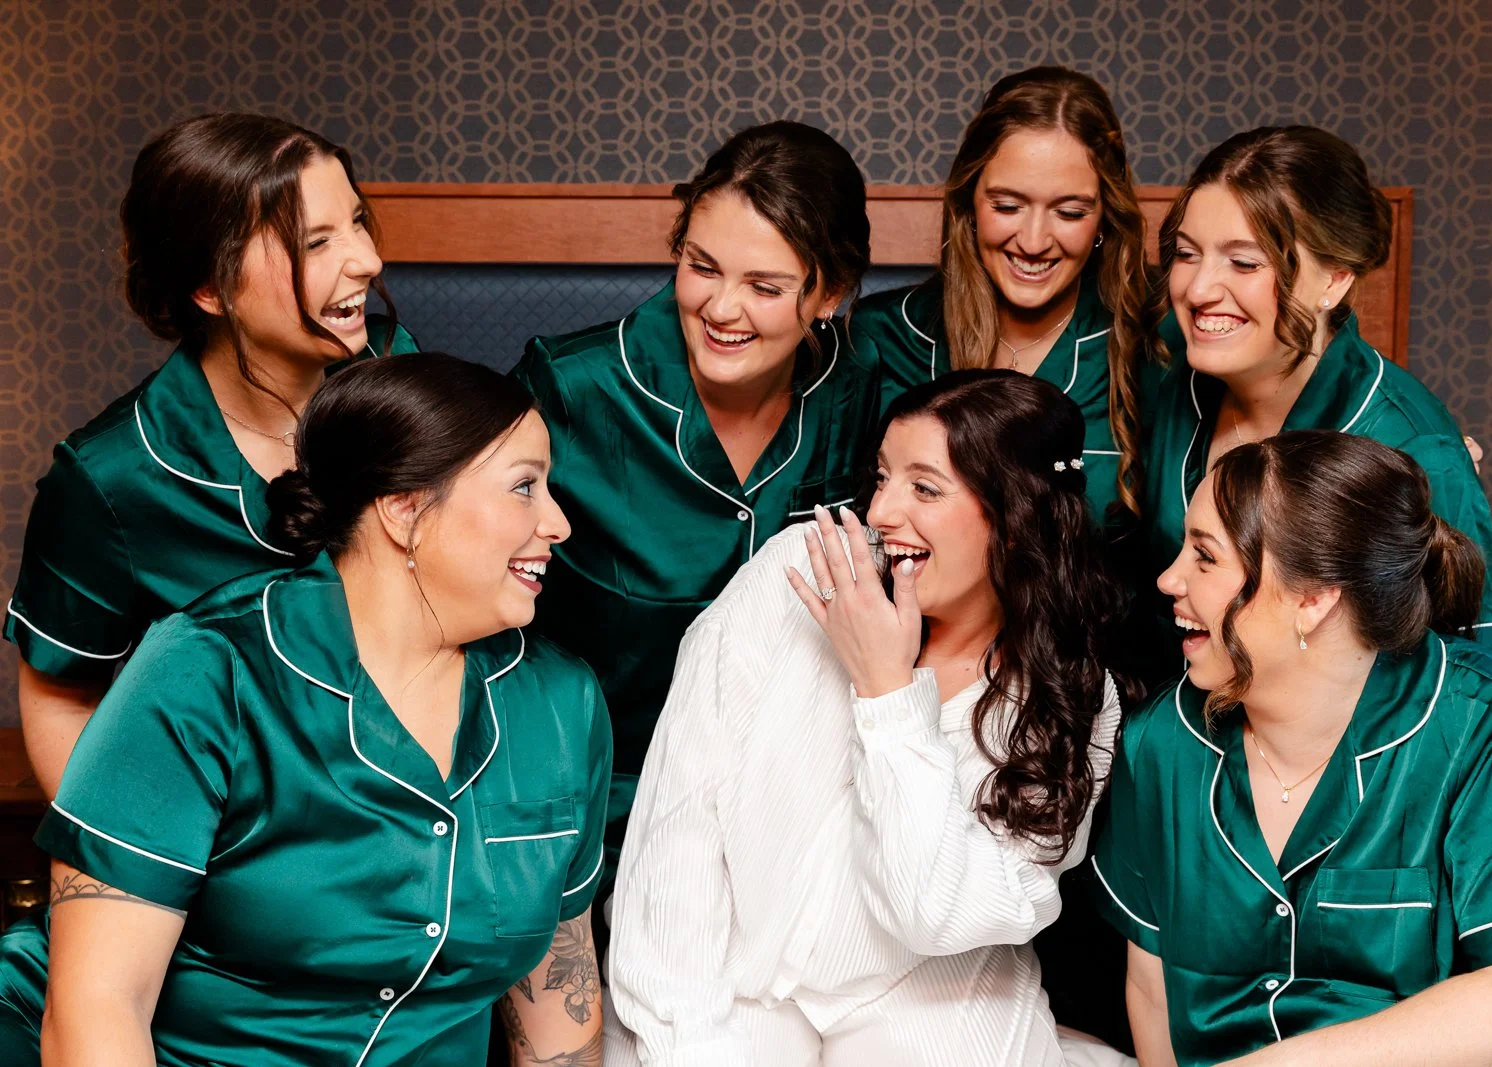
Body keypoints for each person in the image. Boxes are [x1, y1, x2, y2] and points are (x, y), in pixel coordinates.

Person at [32, 353, 611, 1066]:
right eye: (524, 486)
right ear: (404, 508)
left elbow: (559, 1015)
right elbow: (96, 1009)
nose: (558, 522)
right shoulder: (204, 671)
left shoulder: (562, 702)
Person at [0, 112, 416, 1062]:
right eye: (316, 242)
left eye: (358, 221)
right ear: (208, 286)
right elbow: (61, 690)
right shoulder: (112, 479)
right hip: (210, 911)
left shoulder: (413, 392)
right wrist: (161, 861)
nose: (361, 261)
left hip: (391, 883)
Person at [607, 371, 1135, 1067]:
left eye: (924, 487)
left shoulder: (1071, 695)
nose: (882, 511)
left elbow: (940, 914)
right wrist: (691, 1040)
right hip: (731, 985)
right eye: (882, 477)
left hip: (937, 995)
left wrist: (887, 691)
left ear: (1016, 514)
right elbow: (677, 837)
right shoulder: (798, 571)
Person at [1092, 429, 1492, 1066]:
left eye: (1205, 557)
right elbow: (1153, 988)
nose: (1169, 580)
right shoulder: (1160, 742)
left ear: (1314, 599)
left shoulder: (1490, 718)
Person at [510, 120, 879, 905]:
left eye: (765, 286)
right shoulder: (571, 388)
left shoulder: (855, 387)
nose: (722, 307)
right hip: (592, 813)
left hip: (791, 816)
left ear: (830, 293)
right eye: (700, 266)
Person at [1138, 125, 1492, 682]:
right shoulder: (1174, 374)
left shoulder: (1414, 449)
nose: (1199, 288)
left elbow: (1460, 683)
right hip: (1171, 738)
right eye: (1187, 254)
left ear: (1334, 278)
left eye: (1245, 263)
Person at [848, 66, 1161, 527]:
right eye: (1007, 206)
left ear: (1104, 220)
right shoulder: (882, 336)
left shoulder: (1149, 344)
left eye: (1069, 212)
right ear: (969, 204)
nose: (1034, 241)